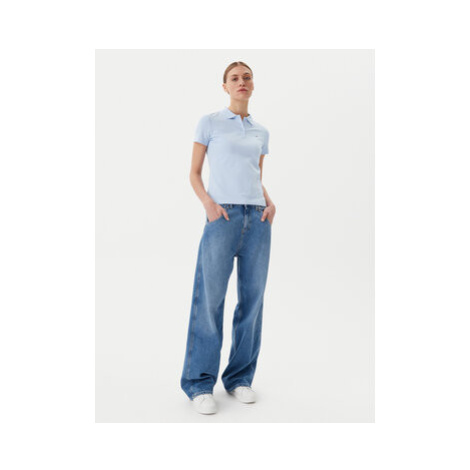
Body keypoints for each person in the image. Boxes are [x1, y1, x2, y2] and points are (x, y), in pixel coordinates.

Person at [180, 61, 276, 415]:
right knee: (209, 300)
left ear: (253, 84)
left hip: (258, 219)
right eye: (234, 78)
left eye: (246, 77)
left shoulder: (261, 131)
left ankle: (239, 378)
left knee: (252, 301)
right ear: (225, 86)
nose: (241, 82)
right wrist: (208, 204)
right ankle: (199, 383)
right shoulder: (210, 123)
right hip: (222, 216)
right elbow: (194, 173)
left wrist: (269, 202)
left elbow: (255, 175)